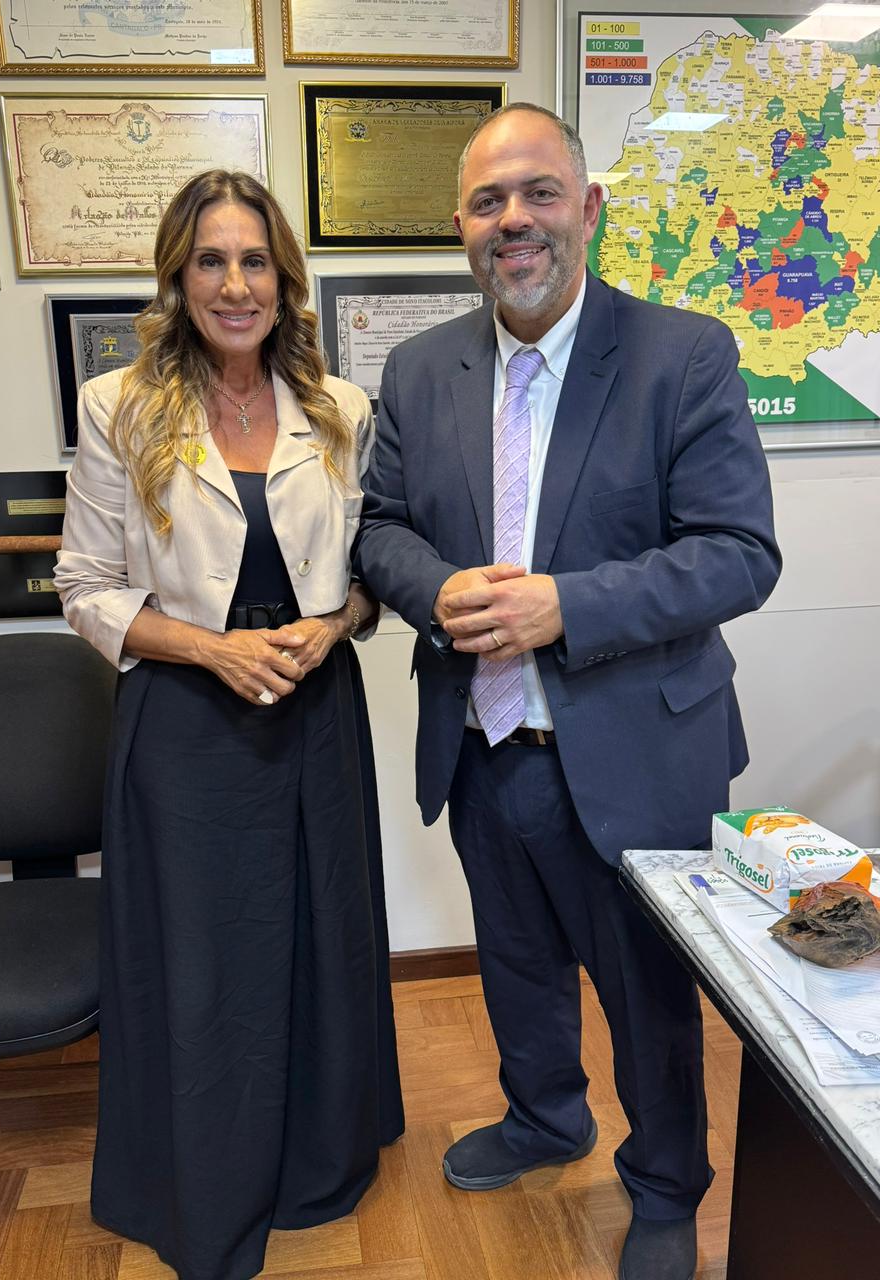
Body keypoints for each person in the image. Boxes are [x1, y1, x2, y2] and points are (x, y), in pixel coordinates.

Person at [354, 104, 781, 1280]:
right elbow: (380, 529)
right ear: (461, 225)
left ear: (587, 208)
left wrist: (569, 605)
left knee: (648, 995)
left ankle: (666, 1183)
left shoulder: (683, 354)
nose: (515, 221)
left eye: (539, 192)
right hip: (481, 740)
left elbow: (739, 553)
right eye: (488, 201)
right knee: (515, 958)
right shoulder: (420, 368)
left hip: (635, 749)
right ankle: (546, 1116)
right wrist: (437, 587)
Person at [55, 169, 404, 1280]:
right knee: (202, 961)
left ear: (285, 280)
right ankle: (206, 1178)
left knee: (320, 935)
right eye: (211, 260)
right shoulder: (117, 406)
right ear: (179, 276)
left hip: (315, 711)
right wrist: (213, 648)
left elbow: (372, 575)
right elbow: (84, 588)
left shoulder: (341, 408)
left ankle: (316, 1162)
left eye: (255, 260)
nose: (236, 284)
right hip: (185, 721)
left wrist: (333, 625)